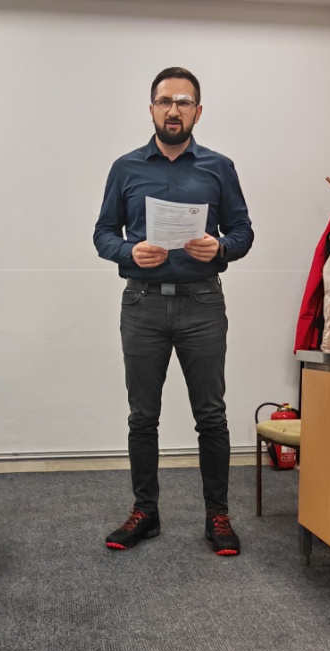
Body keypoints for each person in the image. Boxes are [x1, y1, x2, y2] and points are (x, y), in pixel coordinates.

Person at [92, 67, 254, 557]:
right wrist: (129, 252)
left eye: (184, 102)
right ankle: (145, 512)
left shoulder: (219, 167)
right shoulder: (125, 168)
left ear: (197, 112)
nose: (174, 110)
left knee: (211, 415)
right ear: (152, 109)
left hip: (202, 303)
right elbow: (103, 234)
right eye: (165, 101)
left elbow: (243, 232)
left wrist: (220, 248)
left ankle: (217, 515)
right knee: (143, 416)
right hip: (142, 304)